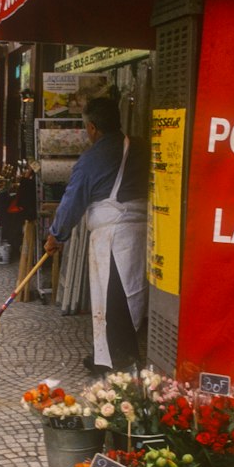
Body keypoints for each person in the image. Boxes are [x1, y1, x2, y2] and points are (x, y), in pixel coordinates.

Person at [44, 95, 148, 375]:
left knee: (113, 297)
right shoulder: (140, 147)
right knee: (131, 295)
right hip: (143, 232)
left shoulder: (92, 158)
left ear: (92, 128)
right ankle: (114, 356)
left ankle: (117, 362)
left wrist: (56, 235)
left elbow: (72, 199)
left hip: (113, 235)